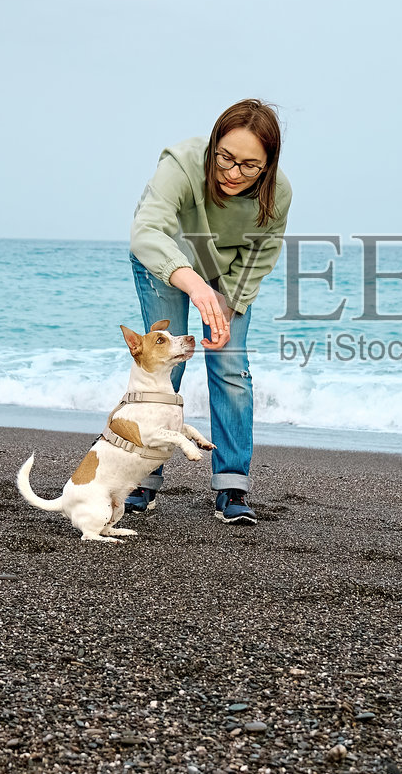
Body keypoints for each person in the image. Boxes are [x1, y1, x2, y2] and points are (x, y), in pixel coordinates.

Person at [124, 98, 291, 525]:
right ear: (213, 144)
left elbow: (262, 252)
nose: (233, 173)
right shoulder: (180, 164)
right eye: (226, 158)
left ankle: (232, 486)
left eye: (249, 165)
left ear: (267, 166)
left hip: (229, 275)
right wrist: (195, 284)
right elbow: (146, 232)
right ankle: (143, 475)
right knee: (166, 366)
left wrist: (226, 300)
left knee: (230, 364)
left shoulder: (278, 193)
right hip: (166, 265)